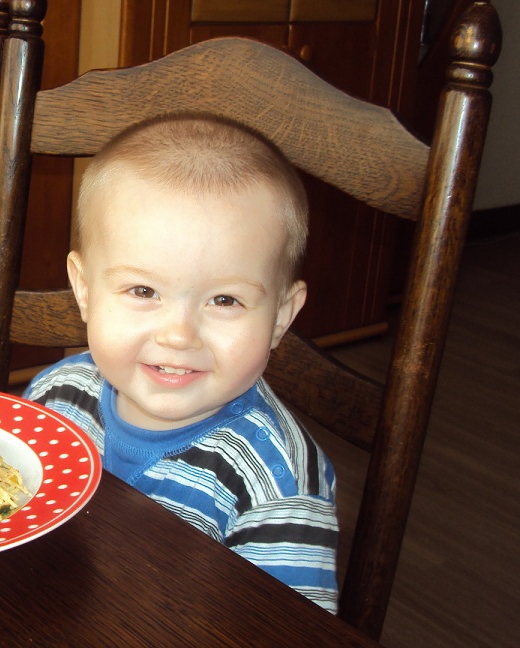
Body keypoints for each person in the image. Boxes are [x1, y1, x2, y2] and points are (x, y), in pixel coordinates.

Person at [24, 113, 339, 612]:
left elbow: (287, 632)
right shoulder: (55, 395)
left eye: (225, 300)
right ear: (84, 290)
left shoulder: (276, 487)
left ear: (281, 317)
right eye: (144, 290)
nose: (178, 335)